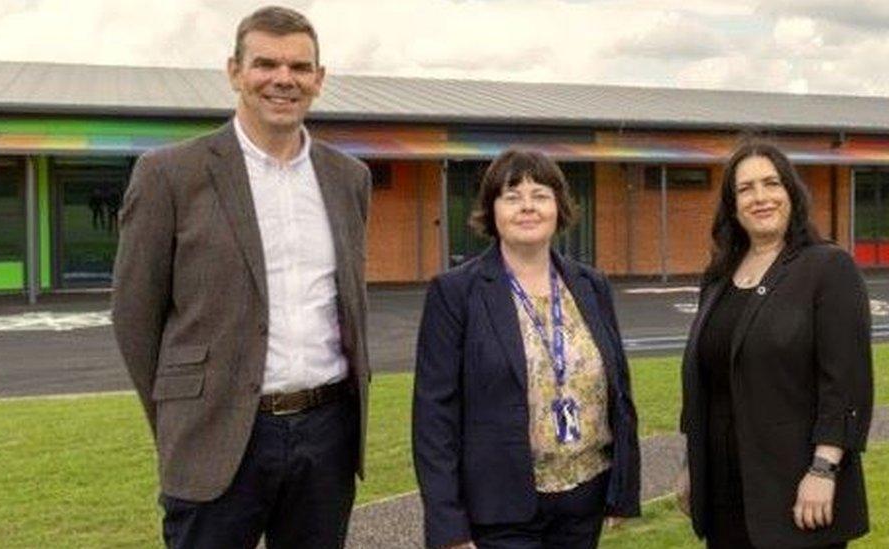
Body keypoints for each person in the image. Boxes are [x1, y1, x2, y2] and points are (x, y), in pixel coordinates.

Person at [111, 6, 371, 549]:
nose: (283, 79)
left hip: (326, 436)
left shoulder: (348, 178)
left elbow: (348, 305)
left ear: (318, 80)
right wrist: (182, 415)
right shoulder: (169, 175)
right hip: (216, 435)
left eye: (300, 67)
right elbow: (135, 315)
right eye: (266, 63)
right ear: (235, 72)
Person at [413, 149, 641, 549]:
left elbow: (619, 388)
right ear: (492, 210)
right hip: (499, 507)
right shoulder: (455, 293)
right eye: (511, 196)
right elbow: (434, 415)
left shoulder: (590, 285)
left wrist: (623, 487)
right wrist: (448, 526)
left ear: (559, 207)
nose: (527, 207)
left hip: (584, 498)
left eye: (540, 195)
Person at [677, 140, 873, 548]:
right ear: (733, 205)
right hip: (725, 494)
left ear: (791, 194)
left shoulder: (827, 267)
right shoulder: (717, 278)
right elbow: (707, 383)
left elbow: (845, 381)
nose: (761, 197)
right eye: (746, 189)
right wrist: (691, 464)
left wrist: (824, 469)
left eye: (772, 183)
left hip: (798, 492)